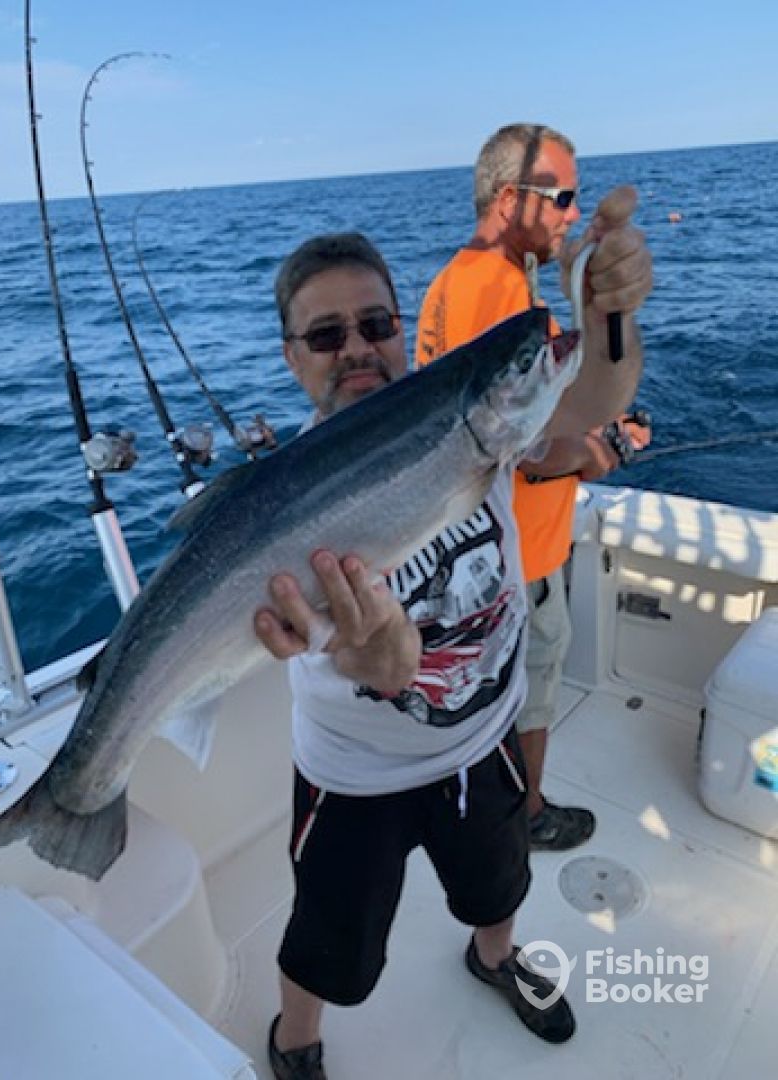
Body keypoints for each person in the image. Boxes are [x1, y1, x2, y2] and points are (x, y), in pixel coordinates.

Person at [253, 227, 651, 1079]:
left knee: (500, 886)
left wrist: (610, 318)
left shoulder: (477, 419)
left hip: (484, 738)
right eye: (326, 335)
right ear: (292, 356)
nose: (357, 348)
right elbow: (386, 671)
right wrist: (384, 653)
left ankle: (494, 958)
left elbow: (592, 398)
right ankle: (295, 1040)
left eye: (376, 324)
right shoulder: (288, 503)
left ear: (402, 329)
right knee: (330, 937)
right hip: (354, 773)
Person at [416, 123, 651, 851]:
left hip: (479, 550)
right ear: (508, 199)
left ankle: (487, 811)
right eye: (561, 198)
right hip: (520, 558)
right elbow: (519, 454)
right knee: (533, 691)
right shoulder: (499, 294)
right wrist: (602, 451)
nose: (572, 214)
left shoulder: (458, 281)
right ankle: (528, 815)